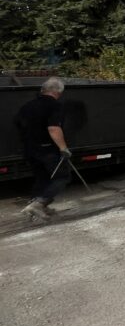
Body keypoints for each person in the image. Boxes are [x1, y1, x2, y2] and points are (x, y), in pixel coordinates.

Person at [15, 77, 73, 220]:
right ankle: (39, 204)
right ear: (59, 92)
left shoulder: (28, 105)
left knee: (42, 178)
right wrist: (63, 148)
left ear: (43, 89)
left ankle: (34, 208)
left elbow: (18, 124)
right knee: (62, 176)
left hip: (29, 149)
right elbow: (54, 128)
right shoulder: (54, 106)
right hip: (46, 149)